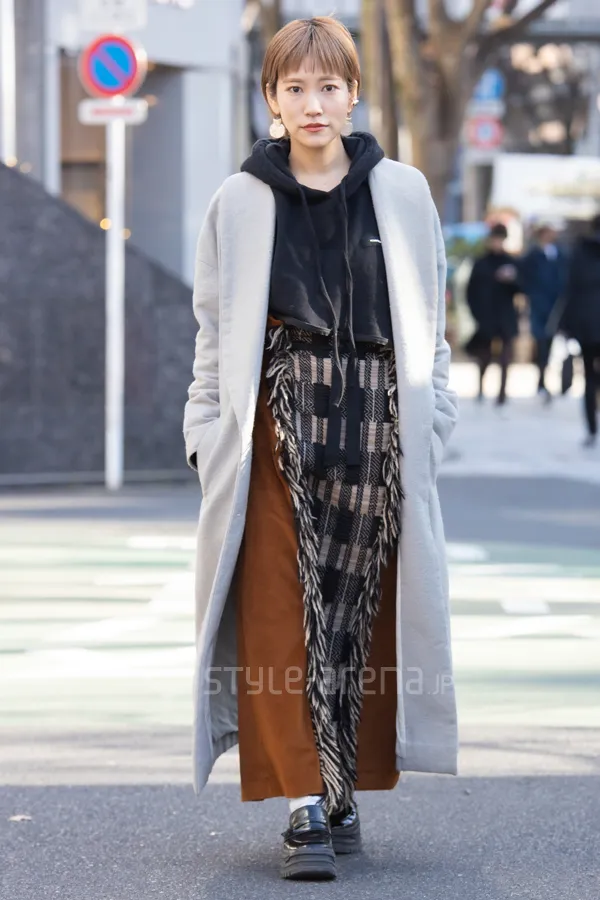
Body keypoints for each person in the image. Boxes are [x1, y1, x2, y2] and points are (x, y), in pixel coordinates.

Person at [183, 16, 459, 882]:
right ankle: (303, 800)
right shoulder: (240, 199)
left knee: (360, 618)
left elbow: (432, 322)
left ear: (353, 95)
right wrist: (204, 436)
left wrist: (435, 421)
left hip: (380, 429)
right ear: (271, 96)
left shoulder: (402, 192)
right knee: (278, 614)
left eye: (328, 86)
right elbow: (211, 329)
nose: (312, 103)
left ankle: (343, 788)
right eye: (294, 87)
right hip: (276, 429)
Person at [466, 223, 520, 405]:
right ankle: (481, 388)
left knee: (505, 356)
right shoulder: (481, 263)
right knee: (485, 355)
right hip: (486, 316)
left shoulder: (510, 262)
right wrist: (477, 314)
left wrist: (511, 279)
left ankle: (502, 394)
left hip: (505, 315)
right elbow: (471, 291)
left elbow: (521, 288)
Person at [561, 214, 600, 448]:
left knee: (589, 377)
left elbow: (570, 290)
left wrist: (569, 326)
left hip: (586, 326)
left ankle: (591, 428)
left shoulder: (579, 253)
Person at [520, 224, 568, 403]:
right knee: (541, 341)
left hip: (556, 306)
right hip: (539, 305)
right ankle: (541, 380)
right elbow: (524, 277)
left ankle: (550, 380)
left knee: (552, 344)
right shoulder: (533, 255)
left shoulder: (560, 254)